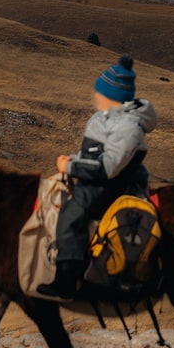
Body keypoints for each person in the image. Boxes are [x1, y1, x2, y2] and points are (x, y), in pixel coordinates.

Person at [38, 54, 157, 299]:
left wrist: (70, 168)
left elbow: (108, 168)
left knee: (71, 215)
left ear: (113, 97)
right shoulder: (107, 117)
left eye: (100, 93)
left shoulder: (128, 128)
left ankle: (67, 282)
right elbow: (92, 154)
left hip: (109, 185)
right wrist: (72, 160)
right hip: (97, 176)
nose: (96, 96)